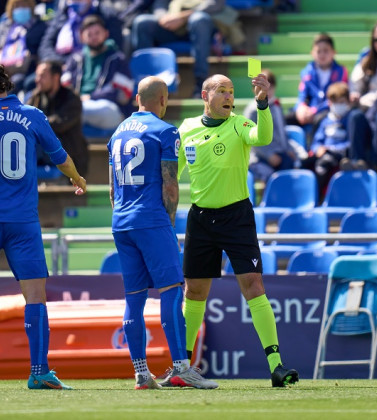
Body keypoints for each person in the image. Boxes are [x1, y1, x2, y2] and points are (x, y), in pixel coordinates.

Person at [0, 60, 86, 390]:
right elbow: (59, 155)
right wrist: (77, 177)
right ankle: (39, 370)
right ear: (7, 84)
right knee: (35, 294)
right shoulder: (33, 115)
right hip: (23, 220)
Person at [177, 73, 299, 387]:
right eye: (222, 91)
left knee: (253, 284)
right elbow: (172, 175)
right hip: (200, 219)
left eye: (231, 91)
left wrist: (262, 104)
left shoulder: (239, 125)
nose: (228, 96)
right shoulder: (186, 129)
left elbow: (264, 138)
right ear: (205, 95)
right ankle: (182, 368)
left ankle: (276, 365)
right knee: (194, 292)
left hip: (237, 217)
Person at [108, 76, 218, 390]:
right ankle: (182, 368)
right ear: (163, 99)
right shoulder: (165, 131)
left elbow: (113, 189)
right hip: (152, 219)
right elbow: (170, 185)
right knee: (171, 291)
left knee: (134, 297)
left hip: (122, 221)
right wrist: (167, 223)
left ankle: (142, 373)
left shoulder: (117, 133)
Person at [131, 0, 222, 98]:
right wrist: (165, 18)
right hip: (170, 25)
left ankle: (201, 84)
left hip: (198, 25)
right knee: (142, 22)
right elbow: (160, 4)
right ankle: (146, 86)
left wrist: (183, 17)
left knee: (199, 19)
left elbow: (215, 4)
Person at [62, 15, 134, 131]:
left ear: (106, 33)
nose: (94, 37)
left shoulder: (117, 59)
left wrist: (90, 97)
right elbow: (64, 86)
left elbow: (121, 93)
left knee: (76, 110)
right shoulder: (75, 59)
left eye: (97, 33)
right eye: (89, 34)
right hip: (77, 105)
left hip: (109, 110)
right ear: (81, 37)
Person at [27, 60, 88, 176]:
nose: (37, 80)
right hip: (44, 152)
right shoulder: (36, 96)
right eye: (37, 75)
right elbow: (26, 119)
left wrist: (36, 123)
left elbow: (58, 124)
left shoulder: (71, 98)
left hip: (68, 155)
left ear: (56, 77)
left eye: (42, 76)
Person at [244, 69, 299, 182]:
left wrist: (287, 148)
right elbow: (250, 138)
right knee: (271, 176)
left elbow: (282, 132)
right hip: (260, 157)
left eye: (269, 87)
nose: (265, 91)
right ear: (253, 89)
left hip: (280, 152)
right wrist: (269, 155)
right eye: (260, 88)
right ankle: (270, 198)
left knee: (293, 164)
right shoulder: (253, 110)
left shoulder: (276, 106)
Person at [302, 82, 353, 195]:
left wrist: (330, 148)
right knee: (303, 163)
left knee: (323, 163)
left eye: (341, 102)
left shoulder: (350, 120)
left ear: (348, 102)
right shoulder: (325, 121)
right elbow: (316, 142)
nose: (338, 106)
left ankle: (315, 196)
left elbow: (350, 143)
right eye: (335, 102)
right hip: (323, 153)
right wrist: (318, 148)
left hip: (338, 155)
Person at [0, 0, 47, 95]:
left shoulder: (40, 27)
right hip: (1, 68)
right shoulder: (4, 26)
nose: (20, 8)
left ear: (31, 7)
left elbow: (41, 51)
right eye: (17, 5)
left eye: (24, 4)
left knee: (13, 83)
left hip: (25, 69)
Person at [291, 33, 349, 129]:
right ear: (312, 53)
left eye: (326, 51)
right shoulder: (307, 72)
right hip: (308, 111)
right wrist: (301, 108)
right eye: (318, 51)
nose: (322, 54)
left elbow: (338, 97)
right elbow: (302, 94)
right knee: (286, 119)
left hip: (329, 110)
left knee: (319, 120)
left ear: (334, 52)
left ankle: (315, 144)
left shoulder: (341, 72)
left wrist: (314, 111)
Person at [38, 0, 123, 63]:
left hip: (93, 64)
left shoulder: (107, 16)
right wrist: (60, 63)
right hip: (60, 66)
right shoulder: (62, 15)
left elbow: (114, 46)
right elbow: (45, 46)